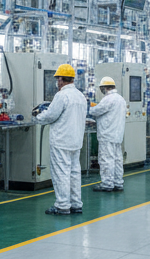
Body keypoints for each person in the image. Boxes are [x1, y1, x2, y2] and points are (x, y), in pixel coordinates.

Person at [33, 63, 87, 216]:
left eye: (58, 79)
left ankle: (62, 205)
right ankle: (76, 204)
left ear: (62, 79)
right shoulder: (80, 96)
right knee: (74, 173)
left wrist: (37, 116)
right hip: (76, 141)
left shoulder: (62, 95)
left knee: (61, 173)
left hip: (62, 141)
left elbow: (51, 115)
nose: (57, 82)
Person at [90, 75, 126, 193]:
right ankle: (118, 182)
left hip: (107, 135)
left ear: (104, 88)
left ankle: (107, 184)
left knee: (106, 160)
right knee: (117, 160)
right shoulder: (121, 99)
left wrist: (89, 107)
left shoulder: (108, 99)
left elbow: (96, 111)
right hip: (117, 135)